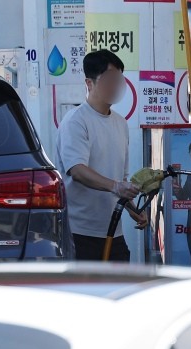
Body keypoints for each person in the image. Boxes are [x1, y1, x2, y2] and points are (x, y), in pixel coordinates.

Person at [55, 49, 146, 261]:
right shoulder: (76, 121)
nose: (115, 86)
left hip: (114, 231)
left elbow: (120, 178)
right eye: (109, 80)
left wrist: (133, 208)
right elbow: (77, 170)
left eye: (118, 80)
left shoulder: (120, 123)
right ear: (89, 83)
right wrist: (115, 187)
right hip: (81, 232)